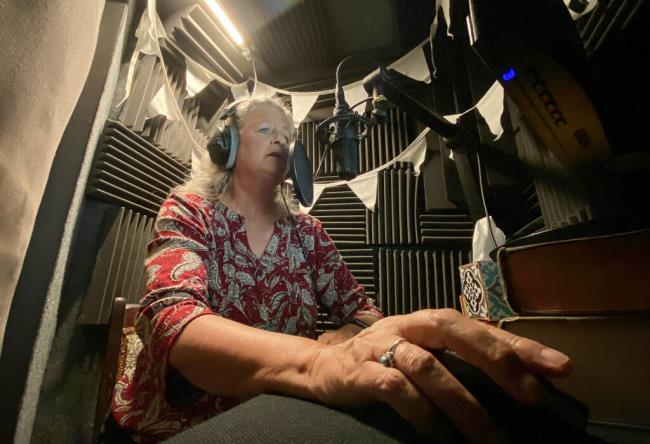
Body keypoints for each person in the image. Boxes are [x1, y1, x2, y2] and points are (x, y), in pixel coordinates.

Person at [109, 97, 572, 443]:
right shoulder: (190, 210)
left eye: (286, 134)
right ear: (224, 144)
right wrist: (316, 362)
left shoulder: (308, 233)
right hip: (183, 423)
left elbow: (364, 311)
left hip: (281, 410)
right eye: (266, 128)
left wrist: (346, 335)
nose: (282, 140)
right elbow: (174, 323)